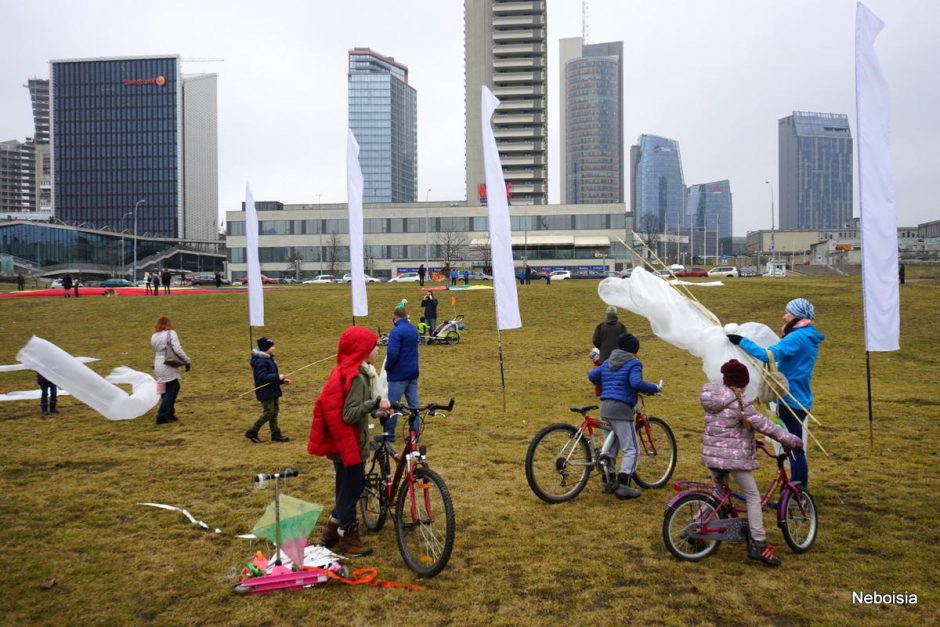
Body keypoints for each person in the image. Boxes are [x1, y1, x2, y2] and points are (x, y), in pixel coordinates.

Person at [700, 359, 804, 567]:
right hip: (733, 460)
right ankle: (758, 542)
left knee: (718, 494)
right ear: (743, 383)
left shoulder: (715, 399)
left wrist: (746, 437)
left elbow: (726, 428)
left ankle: (697, 527)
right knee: (752, 496)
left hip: (713, 456)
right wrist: (793, 440)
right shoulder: (740, 403)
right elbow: (767, 426)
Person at [308, 326, 391, 556]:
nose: (377, 350)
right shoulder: (357, 377)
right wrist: (373, 404)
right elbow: (350, 414)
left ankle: (332, 530)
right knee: (352, 489)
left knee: (346, 488)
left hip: (341, 443)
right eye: (374, 347)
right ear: (362, 351)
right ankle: (348, 535)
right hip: (349, 444)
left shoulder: (348, 370)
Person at [726, 297, 823, 488]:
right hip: (801, 397)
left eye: (788, 312)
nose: (784, 316)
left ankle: (798, 487)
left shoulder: (798, 337)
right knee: (793, 443)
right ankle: (797, 485)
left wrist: (741, 341)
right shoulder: (808, 335)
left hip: (790, 399)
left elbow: (767, 355)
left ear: (797, 316)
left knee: (793, 446)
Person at [587, 333, 660, 500]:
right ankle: (624, 483)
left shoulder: (607, 362)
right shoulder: (633, 363)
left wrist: (606, 387)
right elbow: (636, 383)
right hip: (622, 408)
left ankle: (608, 480)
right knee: (631, 448)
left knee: (610, 448)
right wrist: (655, 388)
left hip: (606, 407)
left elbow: (592, 376)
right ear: (634, 351)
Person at [383, 306, 420, 440]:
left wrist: (387, 367)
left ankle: (390, 434)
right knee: (414, 405)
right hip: (413, 372)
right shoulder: (413, 330)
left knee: (393, 405)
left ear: (395, 317)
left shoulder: (396, 332)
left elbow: (392, 354)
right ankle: (415, 433)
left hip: (398, 374)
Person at [245, 337, 291, 443]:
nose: (274, 348)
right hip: (265, 391)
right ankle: (252, 431)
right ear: (266, 348)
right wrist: (277, 376)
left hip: (273, 389)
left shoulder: (268, 358)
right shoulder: (260, 361)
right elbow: (262, 376)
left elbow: (271, 377)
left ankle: (275, 434)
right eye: (271, 346)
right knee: (269, 412)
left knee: (274, 412)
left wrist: (281, 381)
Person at [150, 316, 191, 424]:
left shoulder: (154, 336)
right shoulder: (171, 333)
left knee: (168, 389)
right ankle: (162, 415)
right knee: (171, 389)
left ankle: (170, 413)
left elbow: (156, 351)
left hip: (158, 364)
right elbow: (177, 349)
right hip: (168, 364)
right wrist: (187, 360)